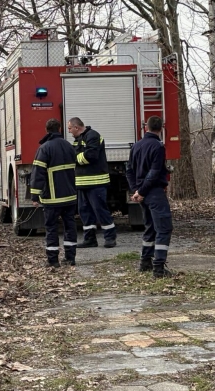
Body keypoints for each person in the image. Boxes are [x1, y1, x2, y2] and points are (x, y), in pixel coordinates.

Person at [126, 116, 173, 278]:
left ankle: (145, 262)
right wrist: (142, 191)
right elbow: (154, 173)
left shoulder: (136, 146)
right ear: (161, 128)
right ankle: (158, 268)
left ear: (146, 127)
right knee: (164, 228)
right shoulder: (158, 147)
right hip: (153, 192)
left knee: (150, 227)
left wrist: (136, 190)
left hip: (142, 193)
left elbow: (129, 170)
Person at [30, 119, 78, 268]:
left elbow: (38, 173)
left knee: (51, 228)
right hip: (70, 197)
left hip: (52, 198)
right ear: (60, 129)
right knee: (70, 227)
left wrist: (35, 195)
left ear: (47, 130)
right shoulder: (69, 146)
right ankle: (70, 258)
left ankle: (53, 261)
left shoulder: (44, 148)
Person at [67, 117, 117, 249]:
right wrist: (77, 156)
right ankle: (89, 239)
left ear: (76, 127)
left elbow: (91, 156)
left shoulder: (93, 136)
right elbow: (76, 155)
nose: (69, 131)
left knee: (100, 210)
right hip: (82, 183)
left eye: (70, 128)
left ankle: (110, 238)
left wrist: (75, 158)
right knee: (85, 212)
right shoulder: (78, 139)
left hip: (96, 182)